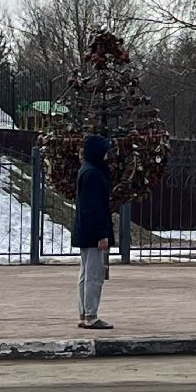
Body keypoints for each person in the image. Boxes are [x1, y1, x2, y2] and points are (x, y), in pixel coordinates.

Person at [73, 134, 114, 330]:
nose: (107, 156)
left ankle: (84, 313)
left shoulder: (86, 171)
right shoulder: (93, 174)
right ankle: (91, 315)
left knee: (85, 273)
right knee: (93, 275)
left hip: (85, 232)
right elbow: (94, 208)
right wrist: (101, 234)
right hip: (93, 233)